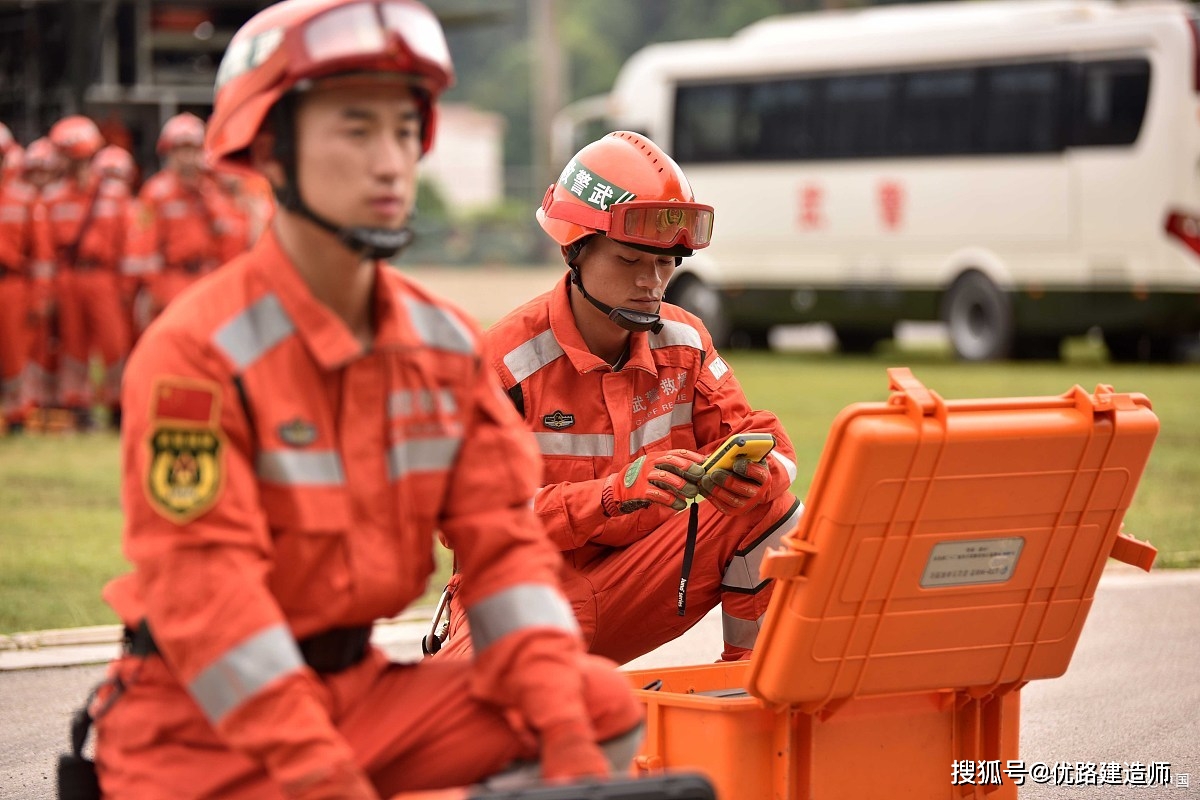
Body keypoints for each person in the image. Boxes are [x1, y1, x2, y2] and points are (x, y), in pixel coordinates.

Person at [74, 2, 642, 799]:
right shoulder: (196, 354)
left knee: (597, 709)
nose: (392, 161)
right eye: (356, 129)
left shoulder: (440, 344)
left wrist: (566, 743)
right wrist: (321, 777)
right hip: (201, 726)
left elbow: (506, 553)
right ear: (272, 150)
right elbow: (212, 607)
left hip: (359, 691)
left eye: (406, 132)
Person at [435, 132, 803, 666]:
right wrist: (608, 497)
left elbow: (759, 436)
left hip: (643, 581)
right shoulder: (502, 365)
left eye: (665, 263)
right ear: (573, 250)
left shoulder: (685, 340)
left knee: (772, 511)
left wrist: (756, 473)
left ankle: (754, 697)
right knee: (447, 738)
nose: (651, 282)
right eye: (630, 259)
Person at [37, 115, 133, 430]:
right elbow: (46, 251)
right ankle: (77, 407)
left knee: (113, 344)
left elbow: (126, 243)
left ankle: (118, 407)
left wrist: (124, 287)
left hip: (103, 276)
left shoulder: (113, 194)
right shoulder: (52, 196)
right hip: (68, 277)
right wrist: (49, 290)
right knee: (72, 344)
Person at [136, 111, 242, 321]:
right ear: (169, 153)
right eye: (182, 151)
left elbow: (231, 238)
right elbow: (144, 247)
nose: (189, 158)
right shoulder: (155, 192)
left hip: (210, 282)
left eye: (194, 150)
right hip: (173, 284)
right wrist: (155, 291)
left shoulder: (212, 191)